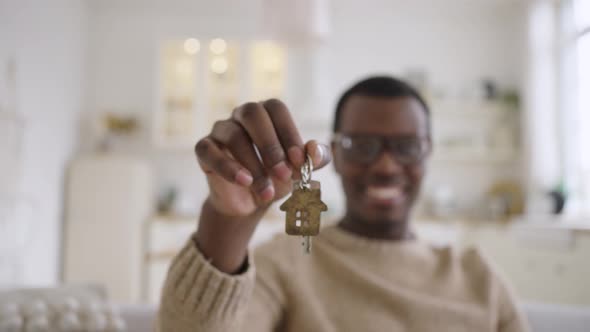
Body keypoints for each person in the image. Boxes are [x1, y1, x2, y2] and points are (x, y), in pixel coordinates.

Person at [157, 76, 530, 332]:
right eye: (362, 146)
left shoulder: (479, 277)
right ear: (333, 152)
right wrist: (225, 221)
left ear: (428, 152)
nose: (385, 165)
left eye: (407, 147)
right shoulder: (284, 263)